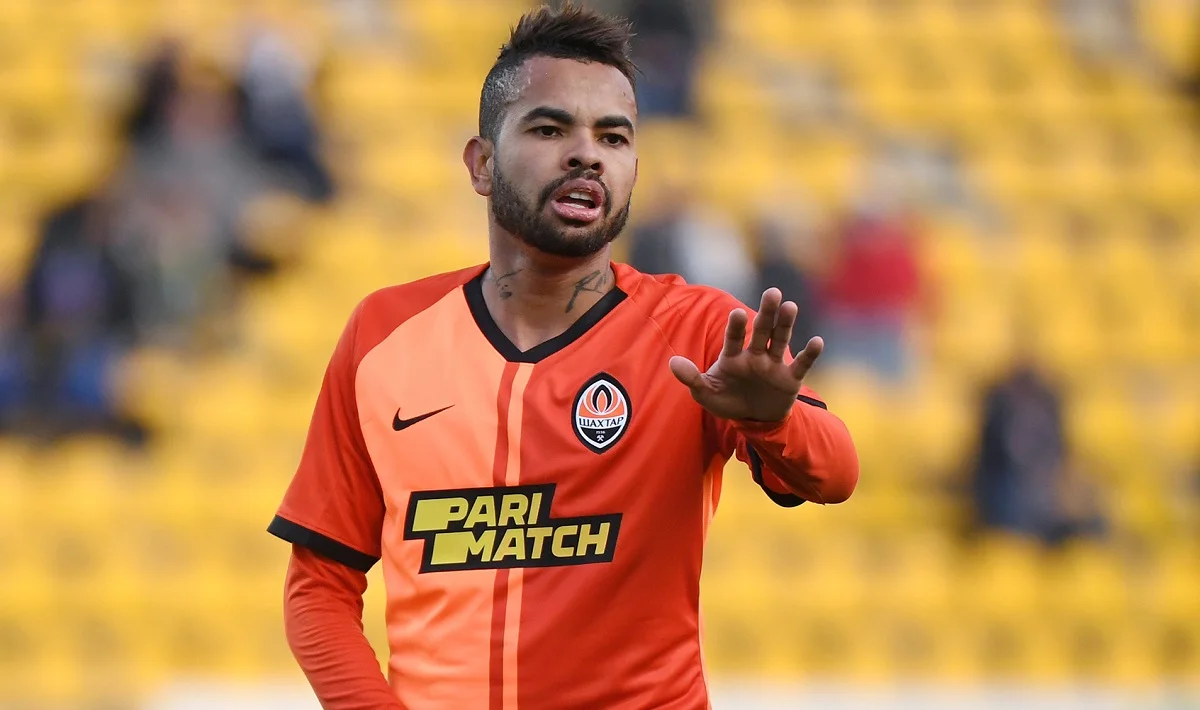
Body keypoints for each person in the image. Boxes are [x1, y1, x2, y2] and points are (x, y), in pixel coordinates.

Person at [267, 5, 859, 708]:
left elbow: (836, 474)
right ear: (482, 163)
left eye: (613, 136)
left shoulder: (699, 331)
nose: (587, 154)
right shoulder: (384, 334)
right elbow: (319, 587)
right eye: (550, 129)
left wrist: (772, 422)